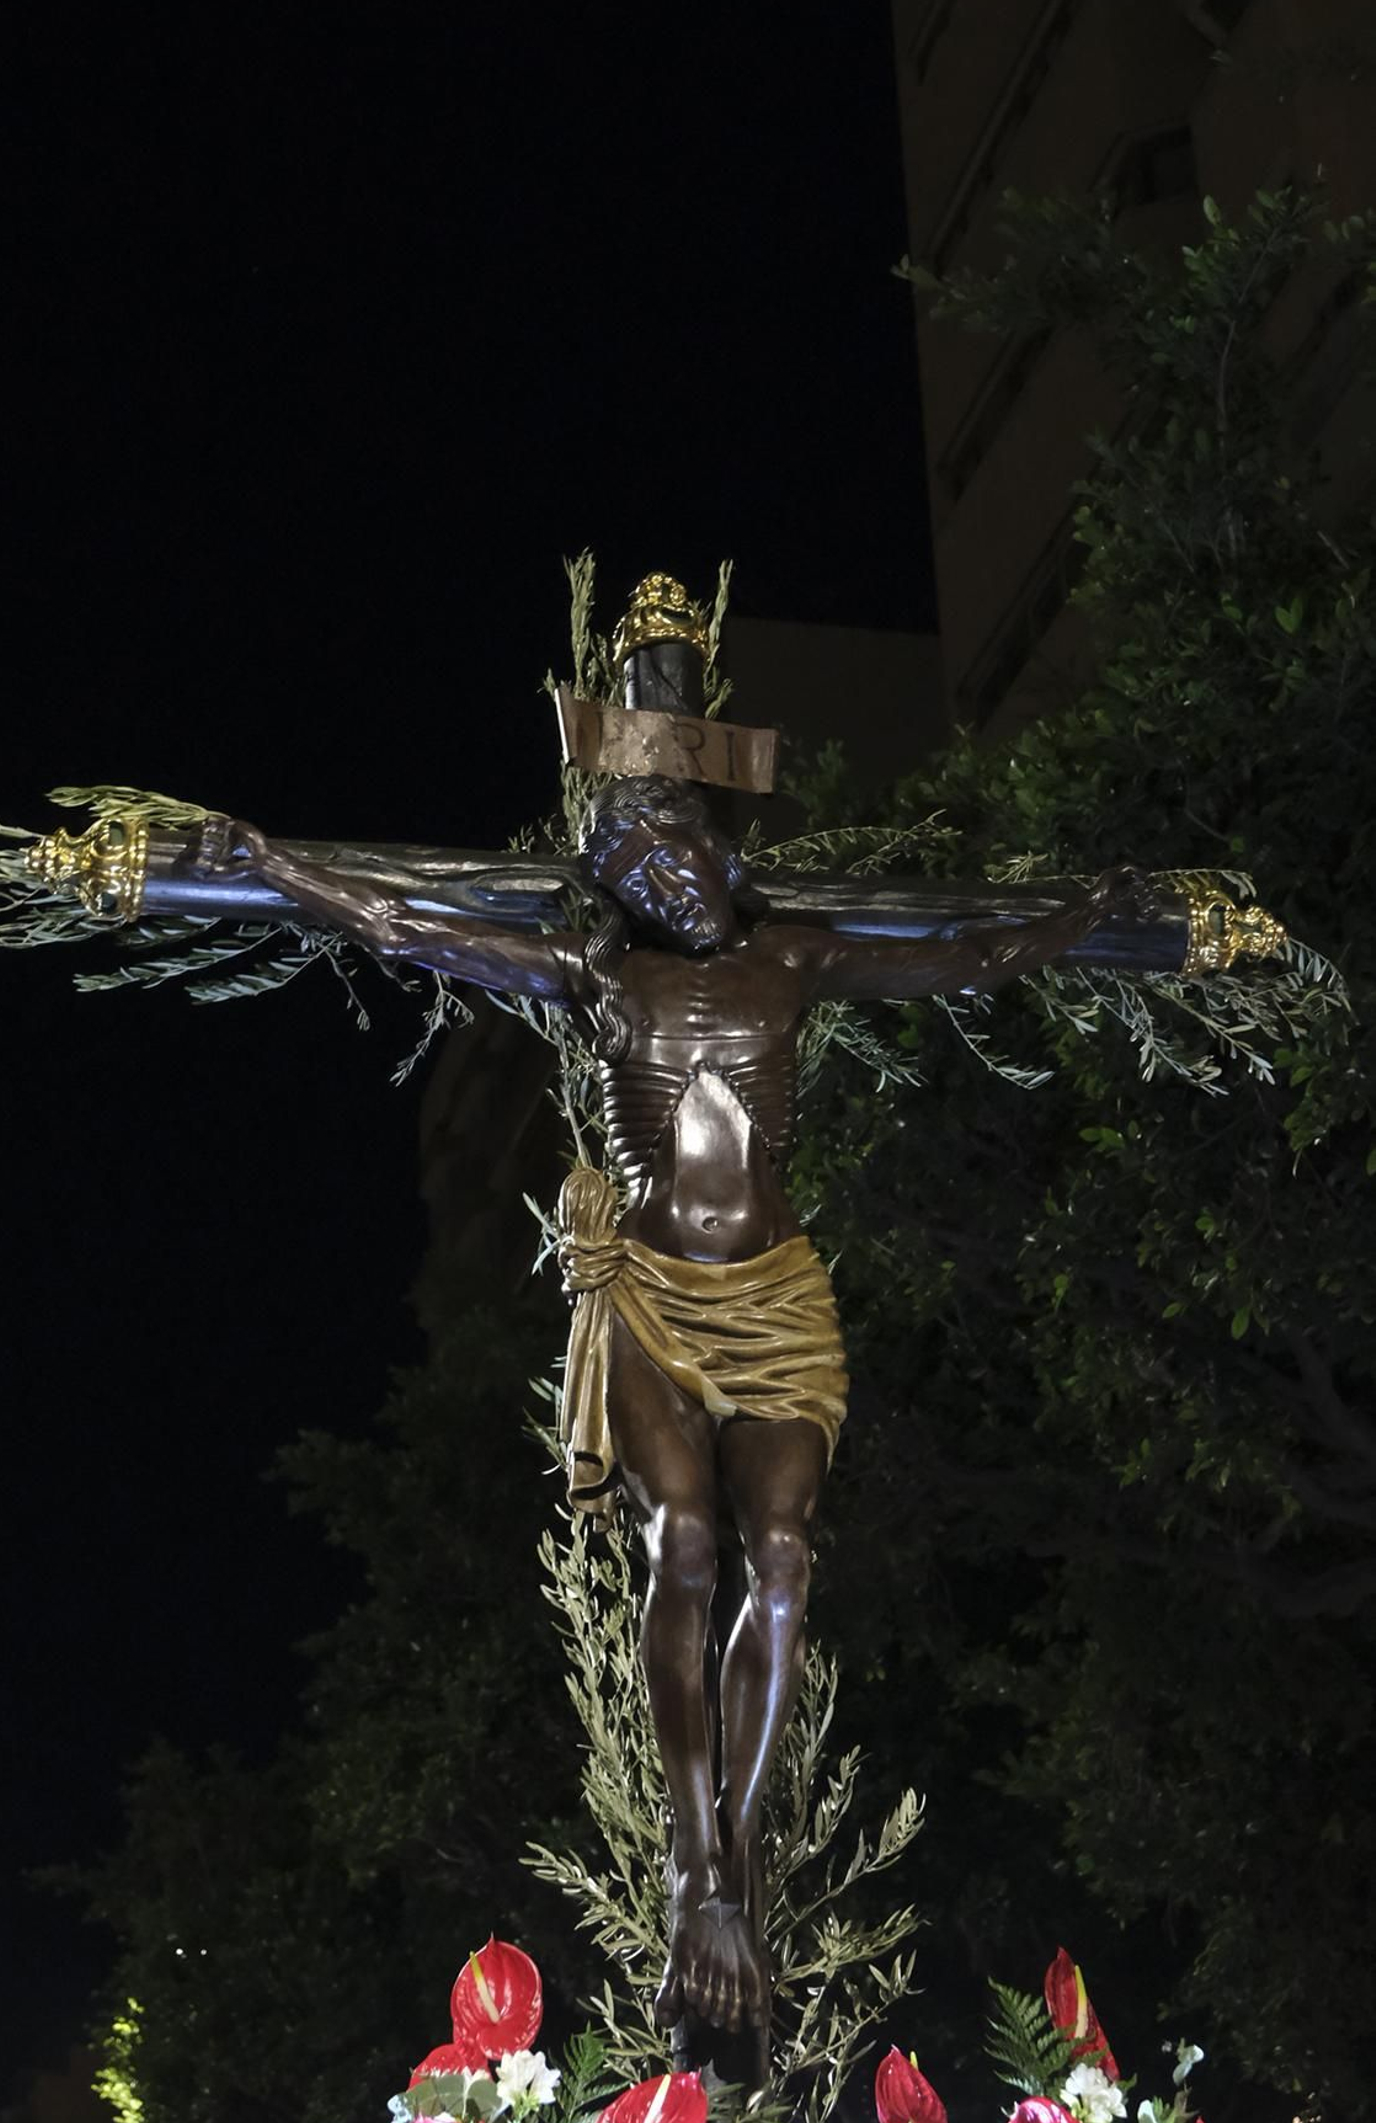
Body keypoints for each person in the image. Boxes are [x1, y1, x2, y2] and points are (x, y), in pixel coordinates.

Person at [188, 786, 1153, 2046]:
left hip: (774, 1302)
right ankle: (696, 1865)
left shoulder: (793, 952)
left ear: (717, 850)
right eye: (632, 864)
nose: (660, 875)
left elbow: (960, 953)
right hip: (651, 1299)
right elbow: (412, 927)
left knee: (787, 1555)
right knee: (684, 1542)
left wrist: (1089, 910)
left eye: (672, 847)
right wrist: (274, 862)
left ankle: (728, 1872)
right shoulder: (601, 971)